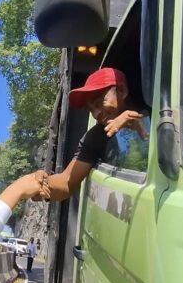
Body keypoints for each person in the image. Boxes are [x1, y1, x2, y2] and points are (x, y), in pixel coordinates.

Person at [41, 68, 147, 202]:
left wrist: (140, 126)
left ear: (122, 91)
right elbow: (67, 182)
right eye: (91, 110)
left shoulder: (159, 110)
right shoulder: (95, 137)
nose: (96, 114)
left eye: (99, 103)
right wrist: (37, 184)